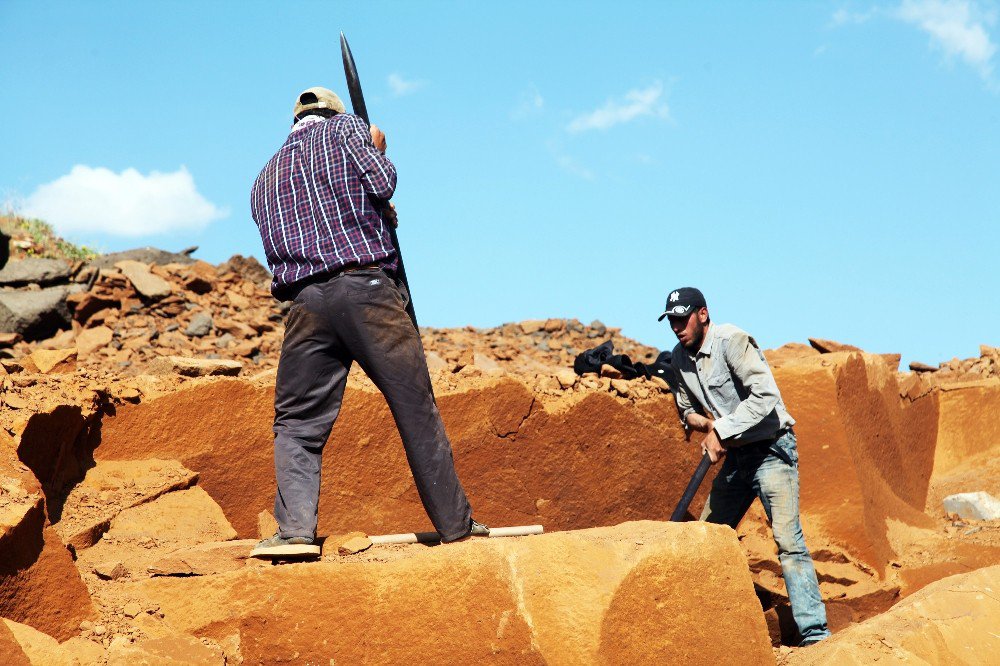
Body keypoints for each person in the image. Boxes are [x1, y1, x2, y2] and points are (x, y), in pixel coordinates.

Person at [248, 86, 486, 558]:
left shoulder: (263, 176)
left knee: (296, 421)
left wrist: (372, 214)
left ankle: (294, 531)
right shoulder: (347, 129)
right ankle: (456, 526)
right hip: (368, 290)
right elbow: (383, 181)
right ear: (335, 114)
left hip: (306, 304)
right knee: (415, 408)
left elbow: (299, 230)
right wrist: (376, 147)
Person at [660, 287, 830, 646]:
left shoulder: (733, 341)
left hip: (772, 450)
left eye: (683, 318)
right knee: (707, 537)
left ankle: (815, 635)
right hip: (737, 458)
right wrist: (704, 424)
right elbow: (685, 406)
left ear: (702, 314)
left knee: (787, 540)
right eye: (672, 320)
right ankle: (701, 629)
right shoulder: (678, 358)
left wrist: (721, 428)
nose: (677, 327)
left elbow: (765, 397)